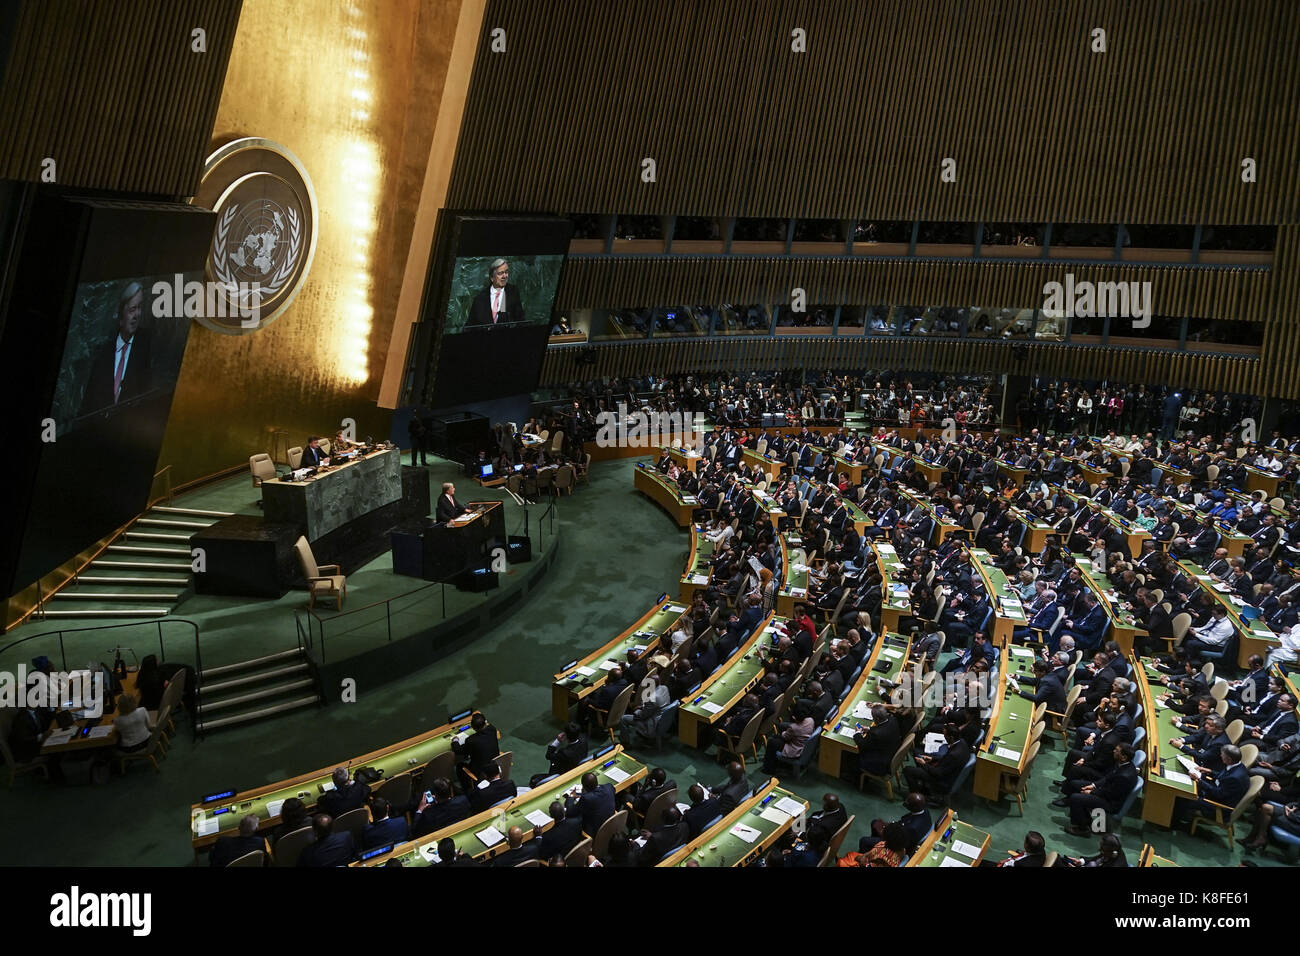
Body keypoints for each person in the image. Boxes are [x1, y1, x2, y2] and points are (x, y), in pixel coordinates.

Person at [78, 280, 153, 417]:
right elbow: (87, 405)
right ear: (120, 315)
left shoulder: (145, 344)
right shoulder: (103, 353)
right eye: (132, 309)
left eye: (139, 307)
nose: (137, 315)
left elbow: (147, 395)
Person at [466, 258, 525, 328]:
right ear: (492, 277)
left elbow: (521, 321)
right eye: (500, 273)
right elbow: (470, 326)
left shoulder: (513, 292)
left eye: (506, 272)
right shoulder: (480, 298)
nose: (504, 276)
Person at [451, 711, 499, 790]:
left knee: (459, 766)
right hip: (494, 764)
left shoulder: (471, 740)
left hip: (481, 771)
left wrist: (455, 741)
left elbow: (458, 750)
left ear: (473, 727)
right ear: (485, 723)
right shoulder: (492, 729)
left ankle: (467, 790)